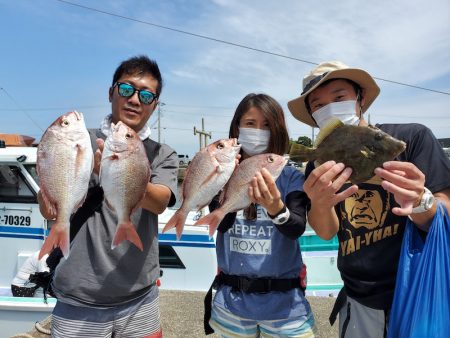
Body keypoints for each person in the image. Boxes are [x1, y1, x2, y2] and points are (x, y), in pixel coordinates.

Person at [287, 60, 450, 337]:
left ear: (360, 98)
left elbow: (445, 206)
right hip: (357, 297)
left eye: (339, 97)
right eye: (318, 105)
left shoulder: (413, 137)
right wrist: (320, 203)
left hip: (418, 287)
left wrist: (422, 202)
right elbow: (327, 231)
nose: (329, 108)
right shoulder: (320, 163)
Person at [37, 55, 178, 338]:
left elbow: (160, 201)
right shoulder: (79, 140)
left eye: (147, 95)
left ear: (154, 105)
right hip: (78, 296)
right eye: (126, 89)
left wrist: (122, 171)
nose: (135, 99)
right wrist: (47, 199)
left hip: (139, 297)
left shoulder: (163, 153)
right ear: (111, 92)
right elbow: (49, 210)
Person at [205, 93, 316, 337]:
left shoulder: (291, 178)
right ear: (237, 127)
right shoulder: (224, 173)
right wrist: (233, 188)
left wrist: (276, 207)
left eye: (267, 125)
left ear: (277, 130)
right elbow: (220, 224)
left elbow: (296, 227)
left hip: (286, 309)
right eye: (250, 124)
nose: (258, 131)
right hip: (231, 305)